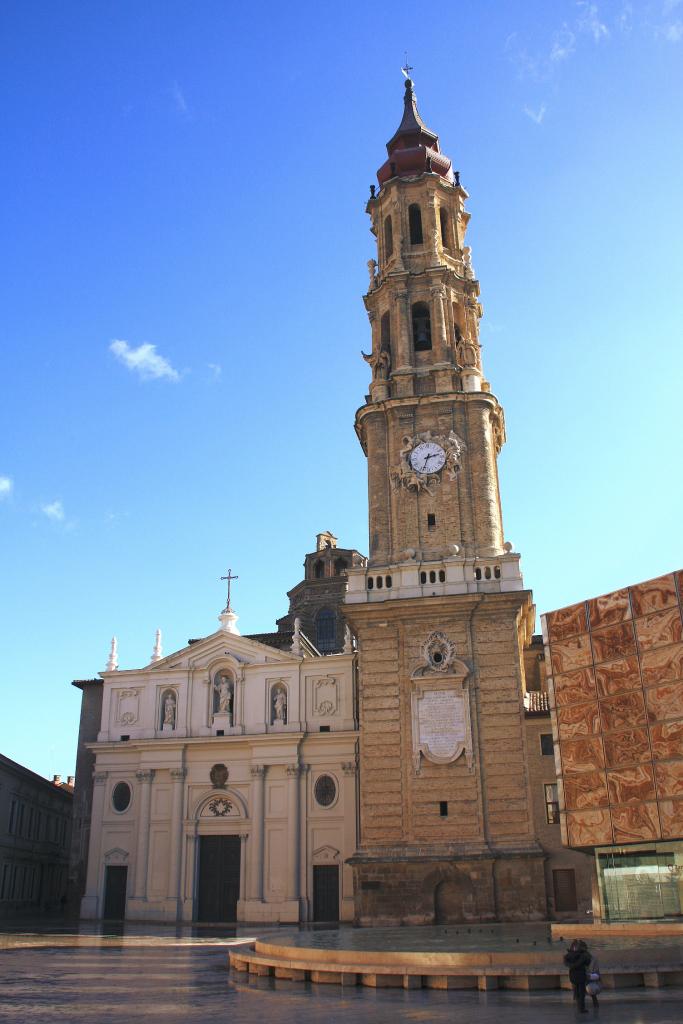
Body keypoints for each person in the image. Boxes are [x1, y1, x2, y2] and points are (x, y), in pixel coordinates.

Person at [564, 938, 592, 1013]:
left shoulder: (568, 955)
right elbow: (588, 962)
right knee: (581, 993)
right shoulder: (583, 955)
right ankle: (581, 1008)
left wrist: (572, 965)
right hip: (581, 975)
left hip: (573, 975)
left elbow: (566, 963)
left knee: (576, 992)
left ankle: (579, 1007)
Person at [585, 945, 601, 1010]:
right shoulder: (579, 958)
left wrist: (588, 976)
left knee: (591, 991)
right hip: (582, 978)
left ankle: (595, 1003)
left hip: (590, 980)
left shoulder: (593, 959)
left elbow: (597, 975)